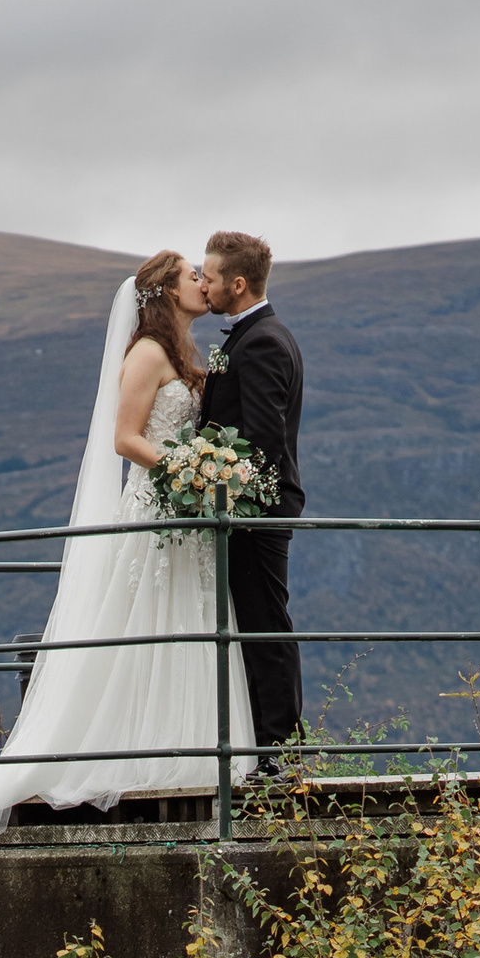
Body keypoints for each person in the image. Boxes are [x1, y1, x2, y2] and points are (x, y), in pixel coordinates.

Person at [0, 250, 255, 854]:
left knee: (185, 627)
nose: (202, 281)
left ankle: (192, 752)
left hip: (182, 518)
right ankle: (148, 755)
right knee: (148, 624)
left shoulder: (181, 354)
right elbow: (125, 437)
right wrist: (188, 468)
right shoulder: (146, 352)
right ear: (166, 292)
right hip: (155, 510)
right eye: (191, 275)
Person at [197, 230, 305, 751]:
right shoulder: (248, 336)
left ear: (237, 284)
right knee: (257, 625)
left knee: (266, 628)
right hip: (248, 510)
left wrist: (225, 493)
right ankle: (268, 747)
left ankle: (279, 752)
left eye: (210, 277)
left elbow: (262, 441)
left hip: (256, 511)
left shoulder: (261, 341)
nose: (204, 284)